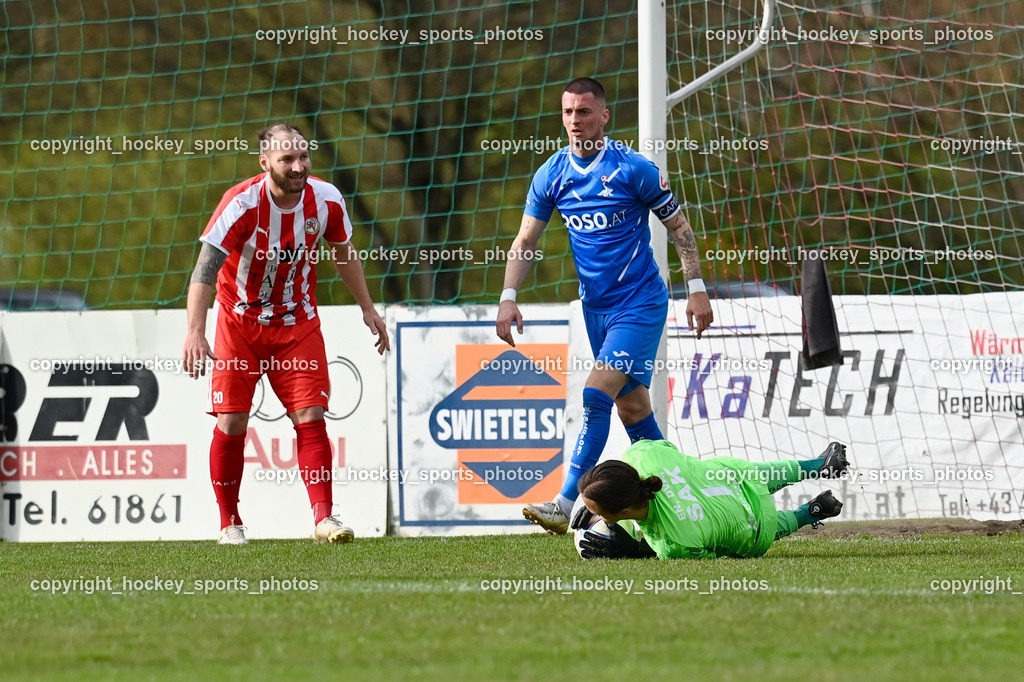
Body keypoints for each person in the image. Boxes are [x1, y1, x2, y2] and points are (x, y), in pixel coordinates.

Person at [495, 77, 714, 534]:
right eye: (569, 112)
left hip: (639, 303)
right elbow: (525, 240)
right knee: (634, 412)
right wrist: (508, 297)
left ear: (604, 116)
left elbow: (680, 228)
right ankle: (687, 497)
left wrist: (696, 288)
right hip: (595, 309)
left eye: (585, 112)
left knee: (595, 395)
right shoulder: (551, 173)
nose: (576, 121)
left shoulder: (634, 169)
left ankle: (564, 500)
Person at [182, 122, 389, 545]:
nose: (299, 166)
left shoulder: (326, 200)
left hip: (298, 322)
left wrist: (367, 307)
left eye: (303, 157)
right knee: (233, 419)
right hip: (240, 323)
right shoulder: (241, 204)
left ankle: (324, 519)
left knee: (311, 415)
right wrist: (195, 330)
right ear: (265, 163)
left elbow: (344, 251)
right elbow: (205, 266)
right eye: (287, 159)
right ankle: (229, 524)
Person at [571, 440, 849, 559]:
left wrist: (638, 551)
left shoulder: (673, 544)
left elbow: (712, 556)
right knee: (748, 474)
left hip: (755, 527)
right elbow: (666, 448)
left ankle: (812, 512)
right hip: (737, 476)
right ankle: (820, 463)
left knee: (748, 530)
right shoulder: (642, 456)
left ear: (625, 510)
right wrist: (595, 495)